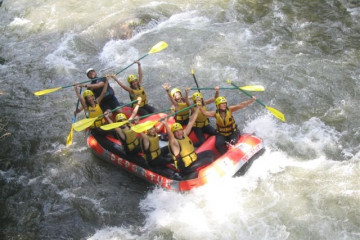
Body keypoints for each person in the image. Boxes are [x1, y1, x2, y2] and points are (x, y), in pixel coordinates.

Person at [163, 104, 215, 178]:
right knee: (209, 158)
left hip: (193, 159)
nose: (179, 133)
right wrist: (165, 124)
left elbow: (191, 121)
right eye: (176, 132)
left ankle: (204, 170)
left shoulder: (183, 134)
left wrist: (197, 109)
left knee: (210, 153)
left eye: (180, 130)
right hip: (186, 167)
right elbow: (171, 137)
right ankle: (205, 174)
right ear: (173, 134)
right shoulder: (174, 143)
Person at [104, 97, 148, 168]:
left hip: (135, 144)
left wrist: (138, 104)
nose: (122, 122)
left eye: (123, 120)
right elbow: (113, 126)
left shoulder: (128, 123)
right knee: (145, 146)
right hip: (130, 150)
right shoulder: (120, 130)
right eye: (120, 121)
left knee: (147, 140)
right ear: (118, 123)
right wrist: (108, 118)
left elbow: (134, 113)